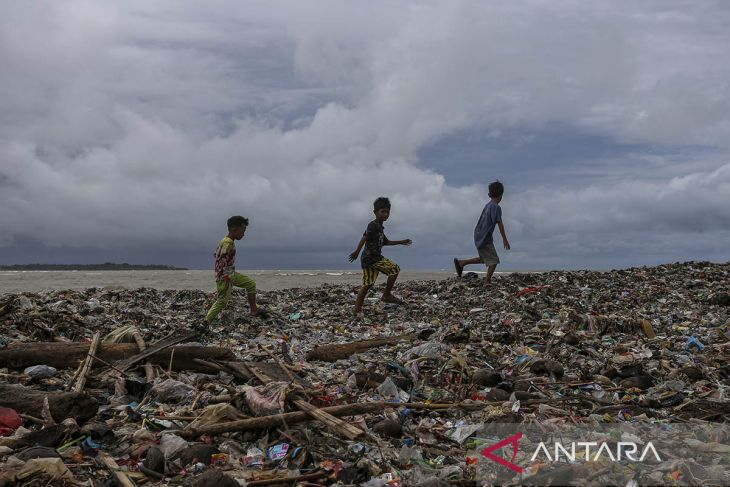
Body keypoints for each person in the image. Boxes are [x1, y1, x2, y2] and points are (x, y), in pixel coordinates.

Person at [349, 197, 412, 313]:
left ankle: (356, 310)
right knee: (394, 269)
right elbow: (365, 237)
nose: (386, 214)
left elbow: (386, 242)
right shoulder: (373, 225)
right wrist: (357, 251)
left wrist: (401, 242)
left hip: (367, 259)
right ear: (375, 212)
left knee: (368, 284)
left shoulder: (380, 228)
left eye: (387, 212)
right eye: (383, 211)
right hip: (372, 258)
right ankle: (386, 295)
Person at [204, 215, 263, 324]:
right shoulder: (228, 242)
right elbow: (222, 257)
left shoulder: (224, 240)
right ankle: (206, 321)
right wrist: (226, 275)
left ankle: (254, 309)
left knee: (250, 284)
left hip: (226, 273)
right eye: (243, 230)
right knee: (221, 301)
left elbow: (215, 254)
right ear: (234, 229)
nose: (243, 234)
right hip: (225, 274)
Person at [453, 181, 510, 286]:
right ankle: (487, 281)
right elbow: (499, 223)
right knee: (494, 261)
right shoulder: (496, 207)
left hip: (478, 234)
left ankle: (462, 263)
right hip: (485, 237)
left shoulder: (488, 205)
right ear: (501, 195)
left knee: (484, 258)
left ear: (490, 194)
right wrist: (504, 239)